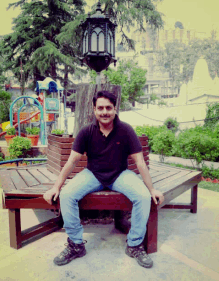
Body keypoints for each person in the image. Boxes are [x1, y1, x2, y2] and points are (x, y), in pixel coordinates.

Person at [43, 90, 164, 268]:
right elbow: (72, 160)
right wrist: (56, 187)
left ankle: (134, 245)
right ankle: (76, 245)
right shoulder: (87, 131)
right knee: (67, 194)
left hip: (120, 175)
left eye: (109, 107)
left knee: (143, 196)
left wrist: (152, 189)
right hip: (93, 174)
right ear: (94, 110)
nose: (104, 112)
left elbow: (139, 162)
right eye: (100, 108)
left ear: (115, 109)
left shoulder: (126, 130)